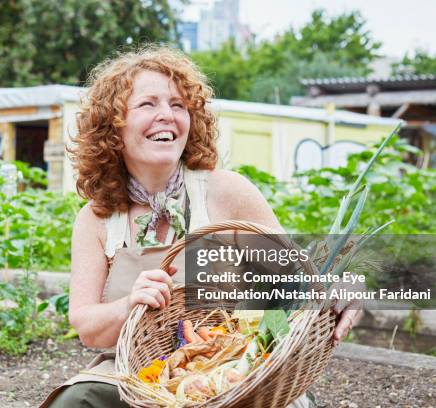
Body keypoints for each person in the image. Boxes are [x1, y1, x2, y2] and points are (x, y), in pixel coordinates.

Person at [41, 46, 361, 408]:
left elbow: (296, 280)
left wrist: (340, 286)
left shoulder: (225, 192)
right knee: (75, 402)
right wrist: (128, 304)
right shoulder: (96, 218)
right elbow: (86, 324)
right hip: (134, 377)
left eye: (178, 105)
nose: (167, 115)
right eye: (148, 104)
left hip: (235, 368)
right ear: (112, 127)